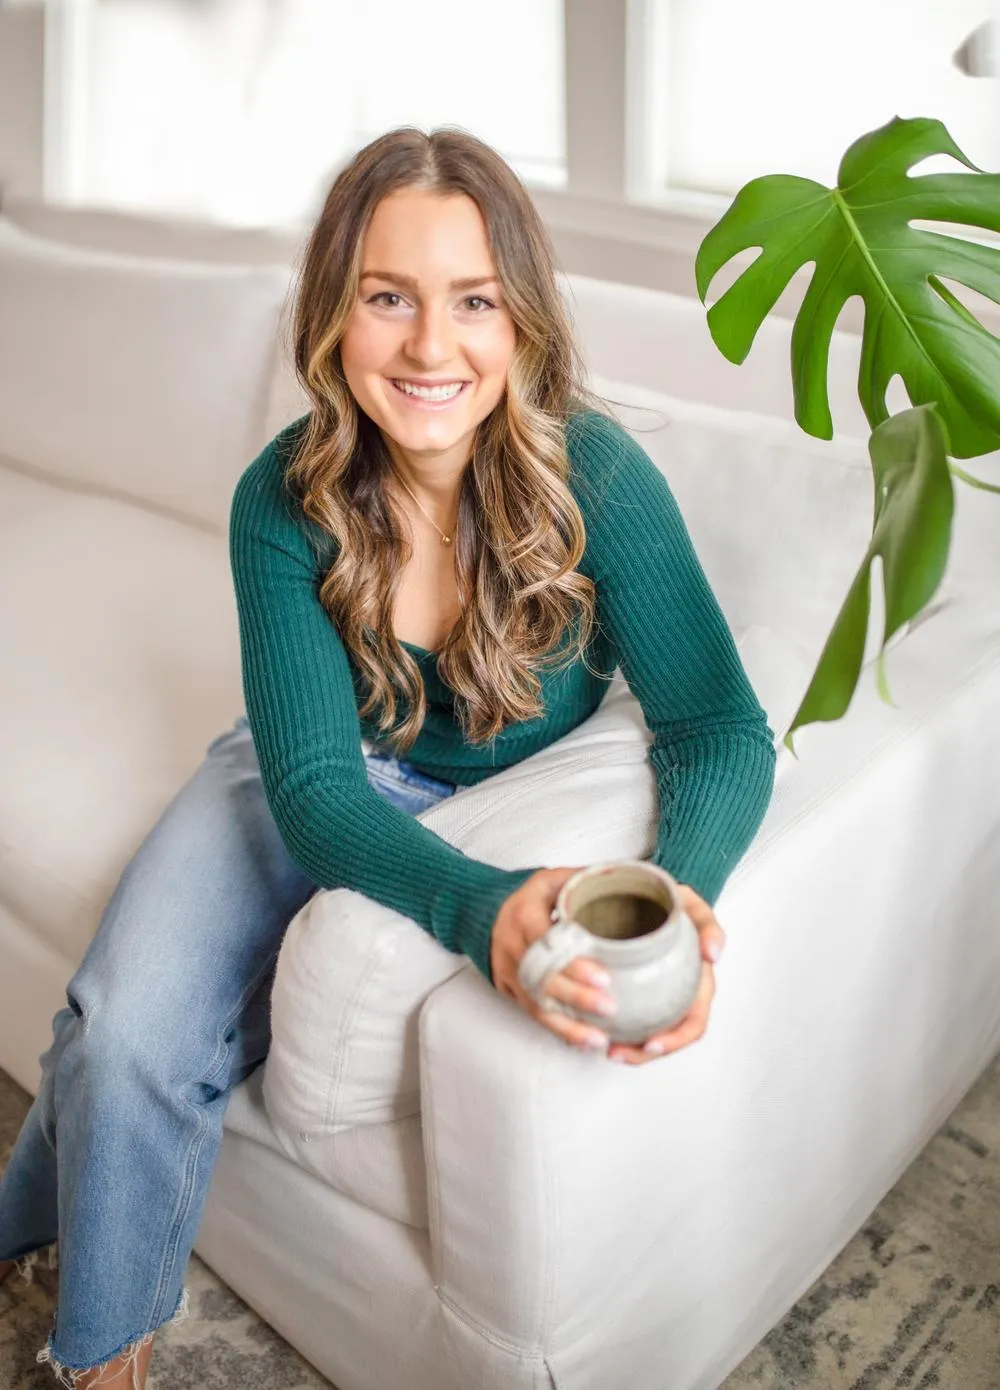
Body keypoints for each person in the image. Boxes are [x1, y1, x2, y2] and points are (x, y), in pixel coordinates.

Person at [0, 124, 776, 1388]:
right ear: (332, 314)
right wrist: (482, 911)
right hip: (314, 767)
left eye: (473, 300)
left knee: (114, 1035)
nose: (430, 346)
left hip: (489, 796)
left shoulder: (600, 478)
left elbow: (715, 726)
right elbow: (311, 790)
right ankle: (102, 1354)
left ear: (519, 318)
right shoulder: (281, 498)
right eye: (387, 298)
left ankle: (38, 1227)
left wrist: (682, 900)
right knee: (123, 1027)